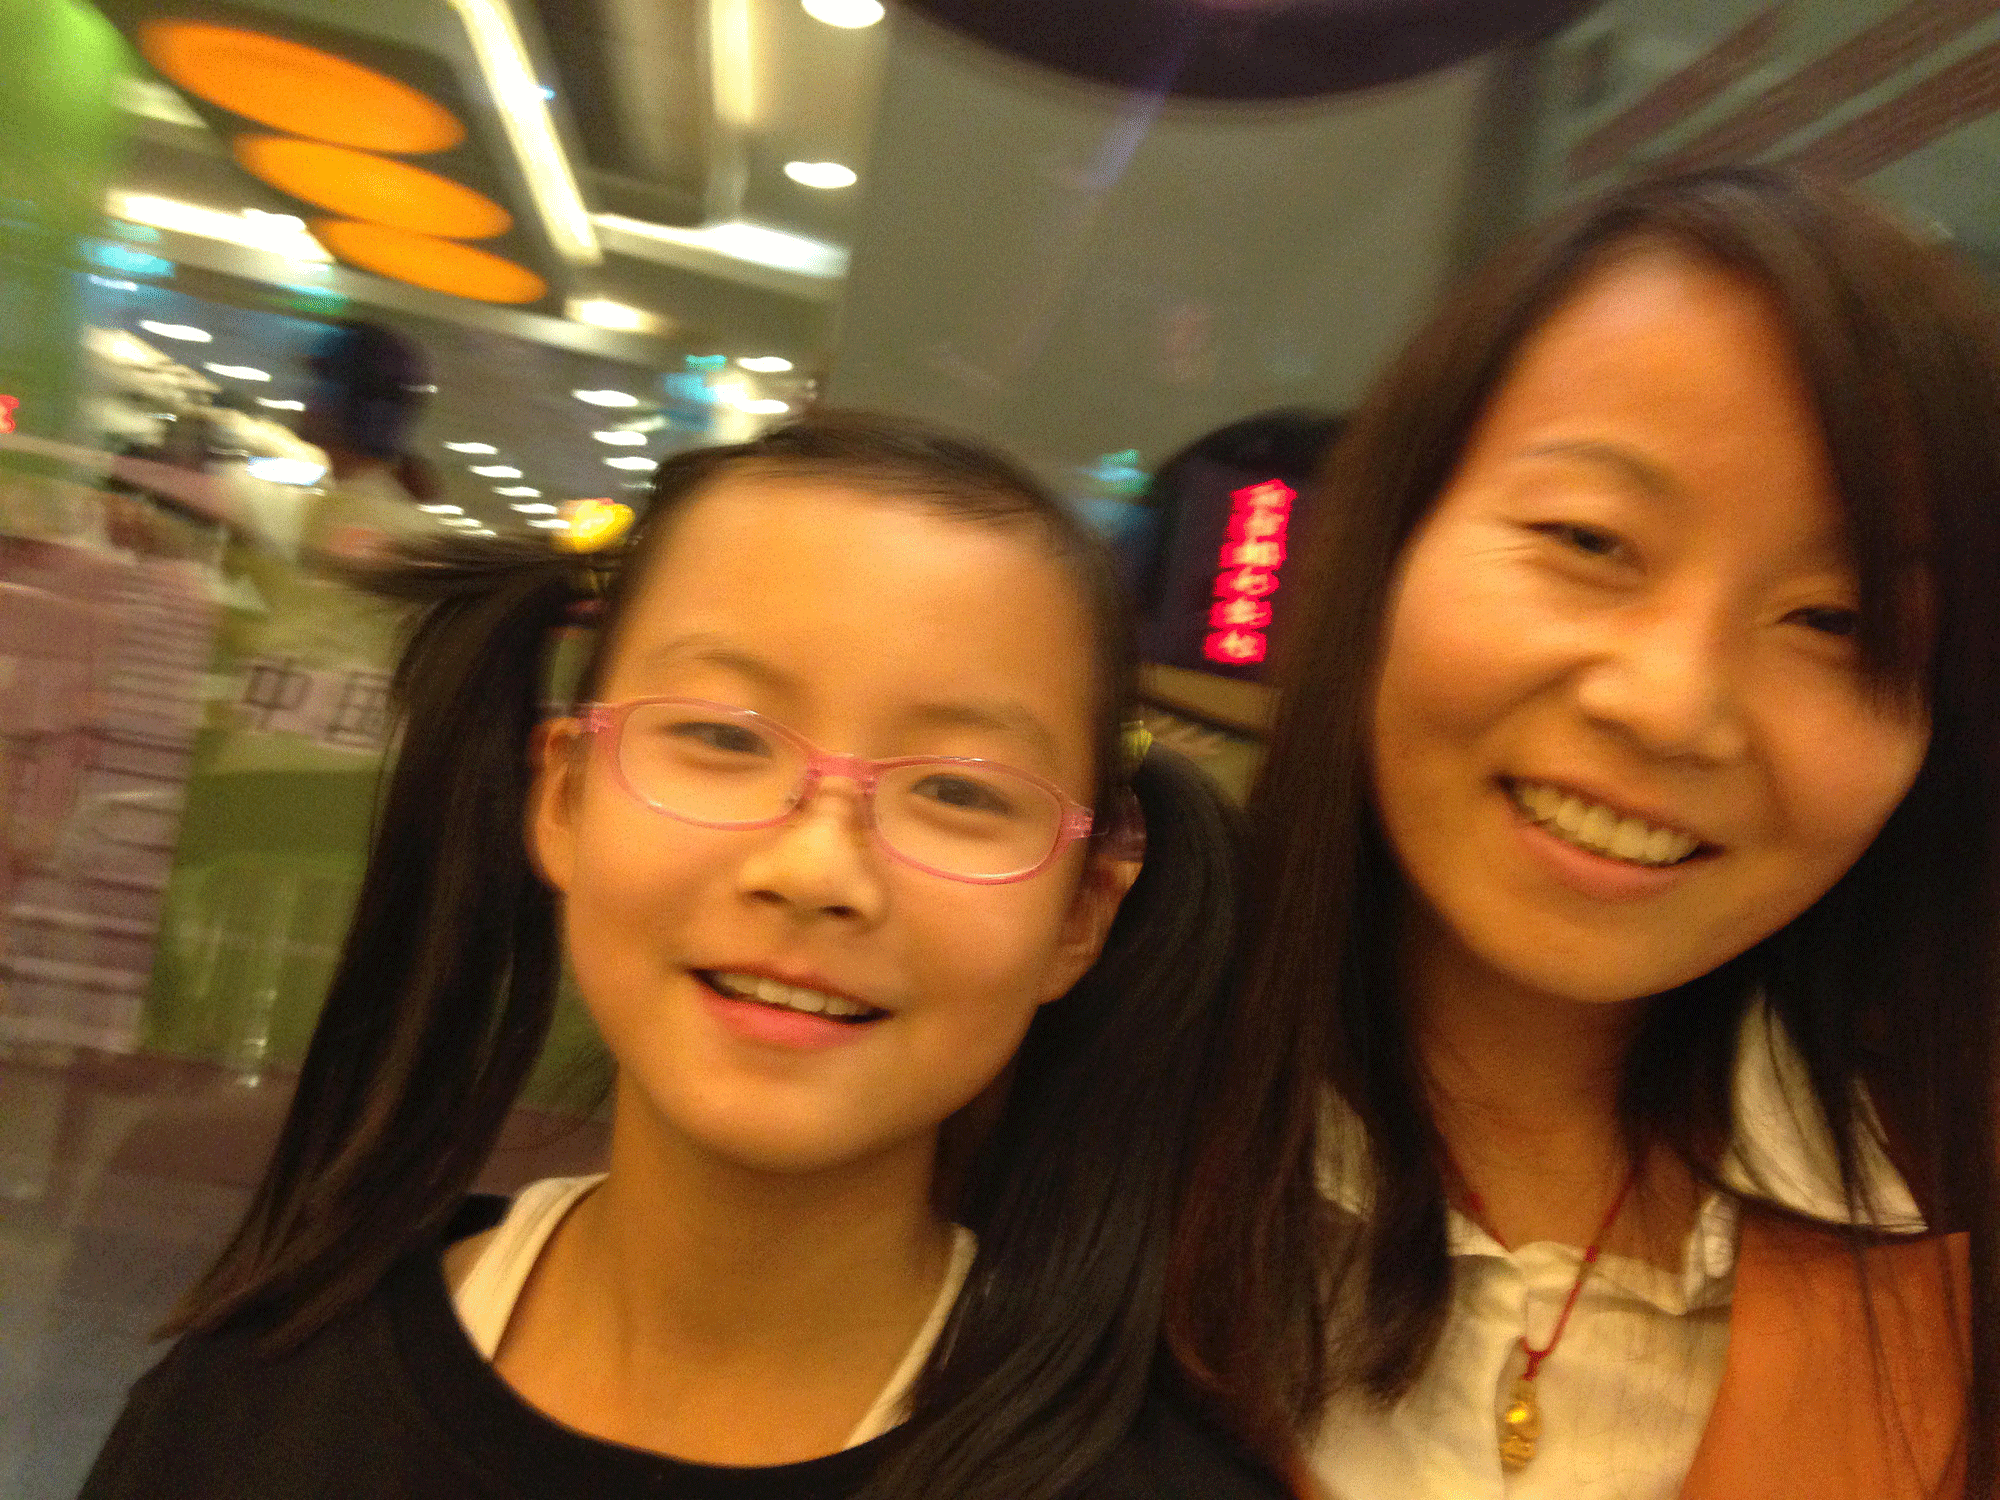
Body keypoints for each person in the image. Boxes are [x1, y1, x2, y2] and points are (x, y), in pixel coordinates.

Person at [77, 412, 1284, 1500]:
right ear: (562, 797)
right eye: (721, 737)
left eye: (959, 792)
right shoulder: (254, 1406)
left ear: (1080, 913)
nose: (813, 868)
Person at [1165, 166, 1997, 1499]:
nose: (1672, 707)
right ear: (1384, 549)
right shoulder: (1037, 1100)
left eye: (1834, 621)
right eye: (1591, 541)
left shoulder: (1950, 1214)